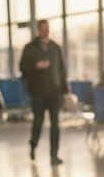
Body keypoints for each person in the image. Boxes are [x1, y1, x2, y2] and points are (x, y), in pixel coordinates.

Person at [19, 19, 68, 165]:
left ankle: (54, 155)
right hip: (38, 92)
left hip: (54, 91)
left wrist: (64, 90)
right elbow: (22, 67)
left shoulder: (55, 47)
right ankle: (33, 144)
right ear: (38, 30)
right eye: (42, 28)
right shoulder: (29, 48)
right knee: (38, 122)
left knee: (55, 124)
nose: (45, 31)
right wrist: (35, 66)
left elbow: (61, 70)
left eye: (47, 28)